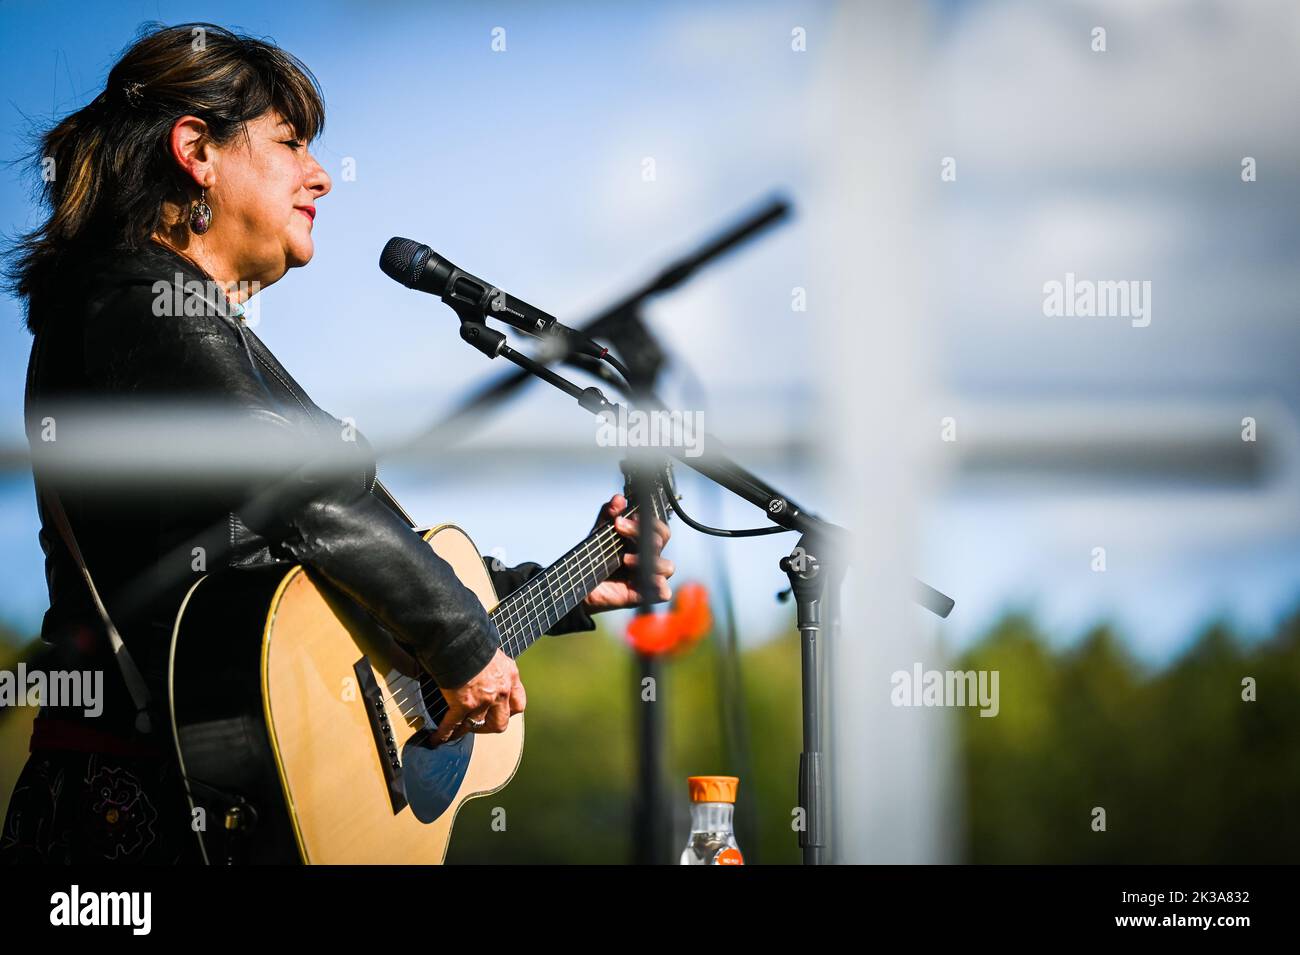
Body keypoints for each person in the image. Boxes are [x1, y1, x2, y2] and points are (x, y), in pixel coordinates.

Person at [0, 22, 672, 864]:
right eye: (289, 143)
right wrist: (461, 641)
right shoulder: (131, 303)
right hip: (135, 814)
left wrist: (566, 584)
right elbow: (305, 490)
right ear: (195, 150)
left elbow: (316, 580)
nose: (320, 175)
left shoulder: (190, 323)